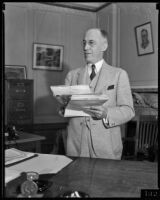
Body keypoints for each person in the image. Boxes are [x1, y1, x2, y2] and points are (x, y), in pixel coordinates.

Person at [58, 28, 135, 160]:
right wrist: (64, 107)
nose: (86, 47)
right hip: (76, 148)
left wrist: (106, 113)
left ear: (104, 46)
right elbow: (63, 111)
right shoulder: (72, 76)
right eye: (84, 43)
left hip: (107, 149)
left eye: (91, 43)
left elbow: (129, 111)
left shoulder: (118, 74)